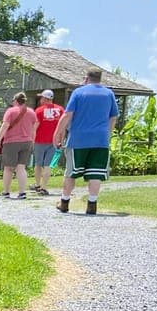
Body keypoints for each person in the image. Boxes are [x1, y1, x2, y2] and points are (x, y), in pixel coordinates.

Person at [53, 67, 119, 215]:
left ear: (86, 78)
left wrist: (57, 133)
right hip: (101, 140)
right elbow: (113, 117)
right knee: (95, 174)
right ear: (100, 79)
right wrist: (107, 134)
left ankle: (64, 202)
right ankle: (92, 204)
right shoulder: (109, 94)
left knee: (71, 173)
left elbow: (67, 115)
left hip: (78, 139)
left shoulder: (79, 92)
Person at [0, 91, 38, 199]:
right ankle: (22, 192)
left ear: (15, 101)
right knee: (21, 167)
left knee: (8, 168)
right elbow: (34, 127)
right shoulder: (31, 112)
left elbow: (5, 125)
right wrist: (32, 140)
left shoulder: (10, 111)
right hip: (27, 141)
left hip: (12, 142)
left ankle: (6, 192)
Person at [32, 89, 64, 195]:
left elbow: (35, 127)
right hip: (54, 141)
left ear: (45, 99)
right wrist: (61, 139)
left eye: (41, 98)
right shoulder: (60, 110)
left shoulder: (39, 111)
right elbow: (63, 127)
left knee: (38, 164)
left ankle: (37, 184)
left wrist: (32, 139)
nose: (40, 100)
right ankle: (44, 187)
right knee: (48, 165)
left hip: (39, 140)